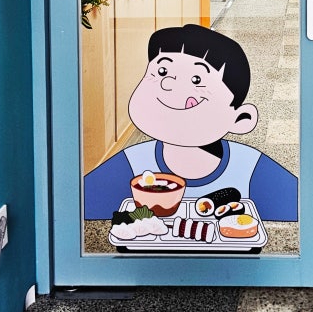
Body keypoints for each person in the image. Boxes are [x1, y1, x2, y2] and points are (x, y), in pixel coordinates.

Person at [84, 24, 298, 221]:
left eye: (197, 80)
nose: (168, 84)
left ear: (241, 119)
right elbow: (74, 205)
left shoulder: (249, 168)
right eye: (162, 71)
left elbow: (309, 209)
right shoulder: (133, 164)